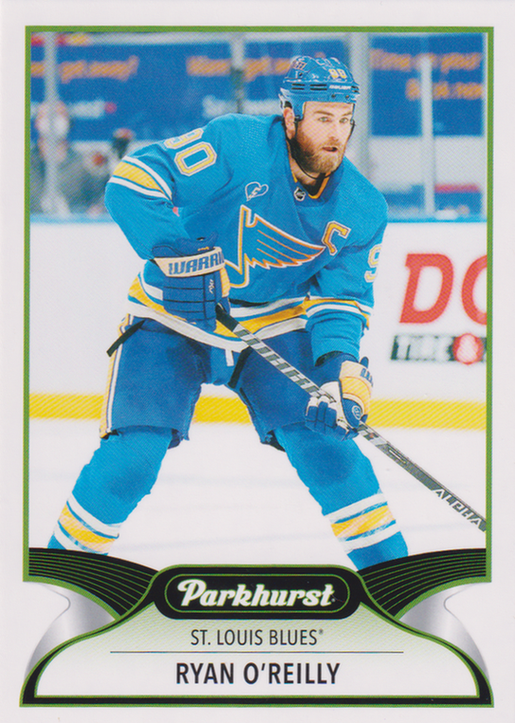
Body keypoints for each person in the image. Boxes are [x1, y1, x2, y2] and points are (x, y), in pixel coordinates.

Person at [48, 56, 408, 570]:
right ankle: (61, 572)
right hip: (173, 315)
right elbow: (133, 180)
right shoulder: (238, 143)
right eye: (323, 118)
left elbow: (341, 302)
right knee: (132, 458)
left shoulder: (363, 207)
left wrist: (339, 370)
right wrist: (174, 252)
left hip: (274, 324)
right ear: (290, 116)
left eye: (345, 119)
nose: (336, 133)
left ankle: (394, 583)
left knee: (330, 450)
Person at [30, 101, 104, 216]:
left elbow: (99, 201)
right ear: (36, 122)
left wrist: (96, 211)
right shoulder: (23, 164)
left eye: (59, 115)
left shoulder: (83, 165)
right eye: (46, 115)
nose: (52, 120)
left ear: (68, 122)